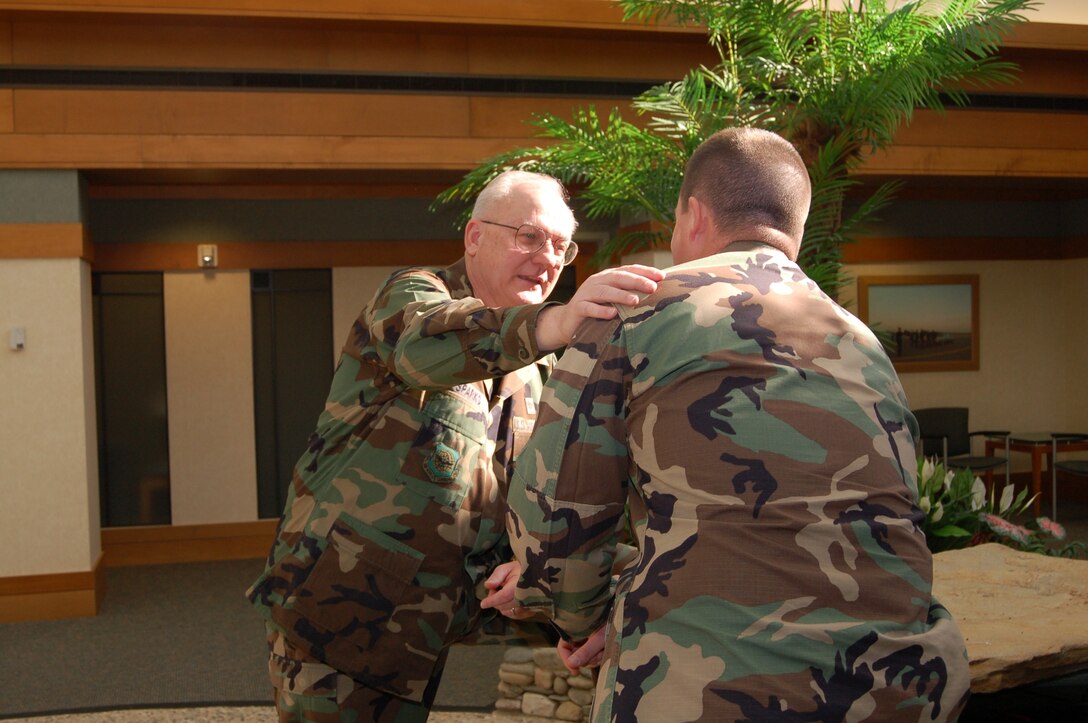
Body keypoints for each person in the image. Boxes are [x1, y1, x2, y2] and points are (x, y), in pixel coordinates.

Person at [503, 128, 972, 721]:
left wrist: (586, 616)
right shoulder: (862, 341)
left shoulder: (636, 312)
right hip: (899, 688)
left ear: (694, 215)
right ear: (792, 231)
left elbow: (552, 529)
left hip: (713, 695)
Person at [246, 169, 664, 722]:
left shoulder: (539, 368)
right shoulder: (413, 296)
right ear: (474, 238)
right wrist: (561, 320)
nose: (548, 259)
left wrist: (534, 578)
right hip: (335, 612)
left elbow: (525, 491)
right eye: (529, 236)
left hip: (420, 628)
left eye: (562, 247)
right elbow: (426, 346)